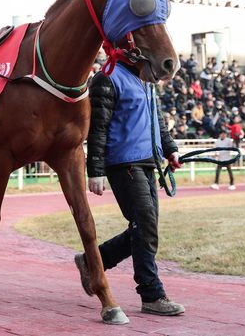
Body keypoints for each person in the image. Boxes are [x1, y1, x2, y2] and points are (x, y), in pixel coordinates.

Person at [78, 60, 185, 316]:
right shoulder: (107, 77)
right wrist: (95, 170)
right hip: (123, 162)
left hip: (149, 162)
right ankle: (151, 294)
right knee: (144, 224)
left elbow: (156, 118)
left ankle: (93, 261)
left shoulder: (147, 78)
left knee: (144, 227)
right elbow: (97, 128)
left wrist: (170, 149)